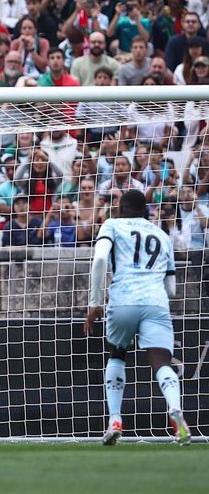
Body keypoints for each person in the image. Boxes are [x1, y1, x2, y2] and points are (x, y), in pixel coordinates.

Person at [84, 189, 191, 446]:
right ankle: (175, 409)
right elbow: (172, 289)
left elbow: (99, 259)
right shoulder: (162, 235)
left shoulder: (112, 224)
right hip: (155, 301)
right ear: (146, 211)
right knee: (161, 360)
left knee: (118, 352)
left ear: (121, 209)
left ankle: (115, 419)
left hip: (123, 299)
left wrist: (95, 303)